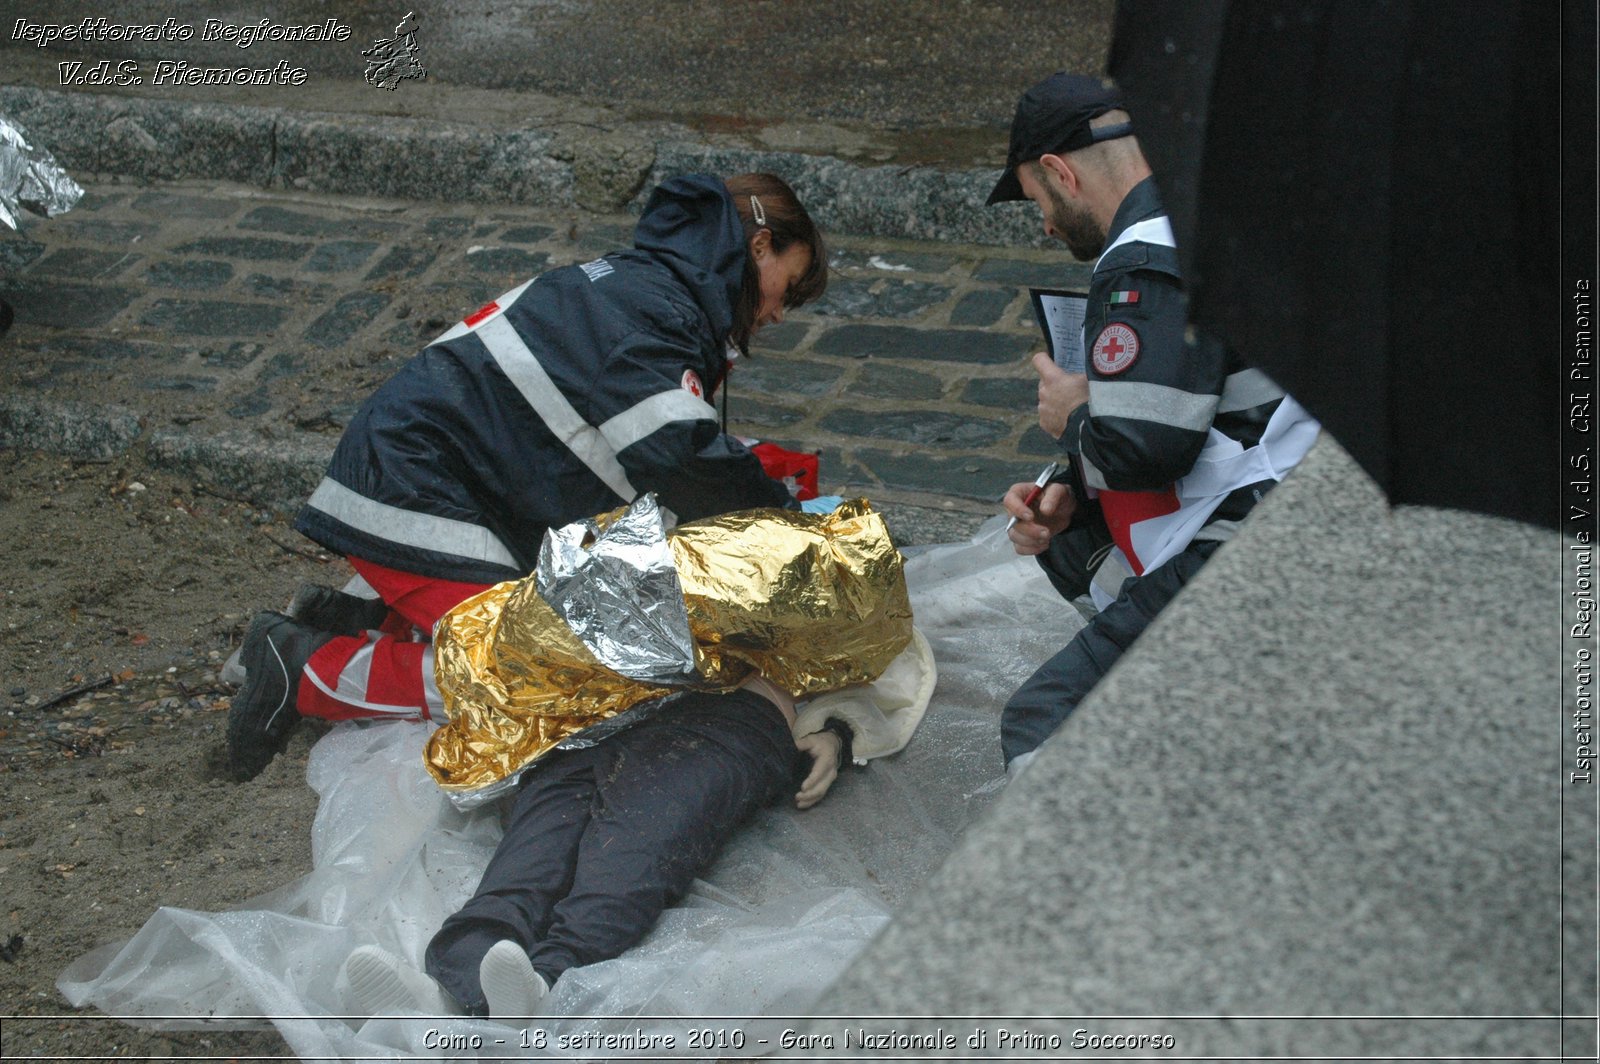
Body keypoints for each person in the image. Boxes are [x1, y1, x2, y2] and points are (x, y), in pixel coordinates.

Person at [225, 172, 829, 781]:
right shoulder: (659, 314)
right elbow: (678, 454)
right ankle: (304, 669)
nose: (779, 310)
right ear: (759, 248)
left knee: (581, 638)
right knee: (547, 682)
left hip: (429, 474)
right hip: (417, 489)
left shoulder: (643, 287)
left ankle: (361, 623)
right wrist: (778, 522)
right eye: (790, 285)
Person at [988, 73, 1318, 775]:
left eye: (1037, 200)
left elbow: (1149, 445)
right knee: (1073, 549)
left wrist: (1074, 415)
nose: (1044, 223)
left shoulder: (1144, 254)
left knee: (1042, 725)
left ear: (1059, 172)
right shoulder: (1209, 207)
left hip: (1257, 538)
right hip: (1304, 491)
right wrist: (1069, 492)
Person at [340, 672, 856, 1018]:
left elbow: (888, 670)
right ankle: (448, 993)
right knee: (529, 861)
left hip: (732, 716)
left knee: (628, 860)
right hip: (602, 708)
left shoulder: (820, 573)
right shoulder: (667, 539)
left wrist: (837, 732)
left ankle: (541, 983)